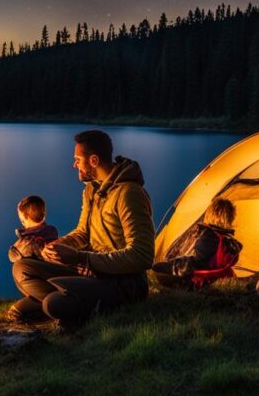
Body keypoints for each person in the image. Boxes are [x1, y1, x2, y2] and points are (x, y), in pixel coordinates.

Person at [9, 130, 154, 328]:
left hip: (123, 283)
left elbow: (142, 256)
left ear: (94, 160)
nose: (74, 164)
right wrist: (57, 246)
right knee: (22, 268)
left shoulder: (129, 194)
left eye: (78, 159)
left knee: (54, 303)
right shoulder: (91, 190)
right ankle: (71, 301)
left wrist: (80, 258)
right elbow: (82, 233)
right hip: (92, 272)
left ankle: (62, 304)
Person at [152, 197, 241, 288]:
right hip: (219, 276)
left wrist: (175, 264)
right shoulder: (229, 242)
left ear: (211, 214)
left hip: (201, 279)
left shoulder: (208, 236)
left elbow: (198, 263)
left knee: (159, 267)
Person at [7, 195, 58, 263]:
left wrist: (13, 250)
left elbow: (14, 255)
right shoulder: (51, 230)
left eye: (20, 216)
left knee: (18, 266)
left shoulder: (27, 240)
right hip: (47, 264)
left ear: (26, 218)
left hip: (39, 266)